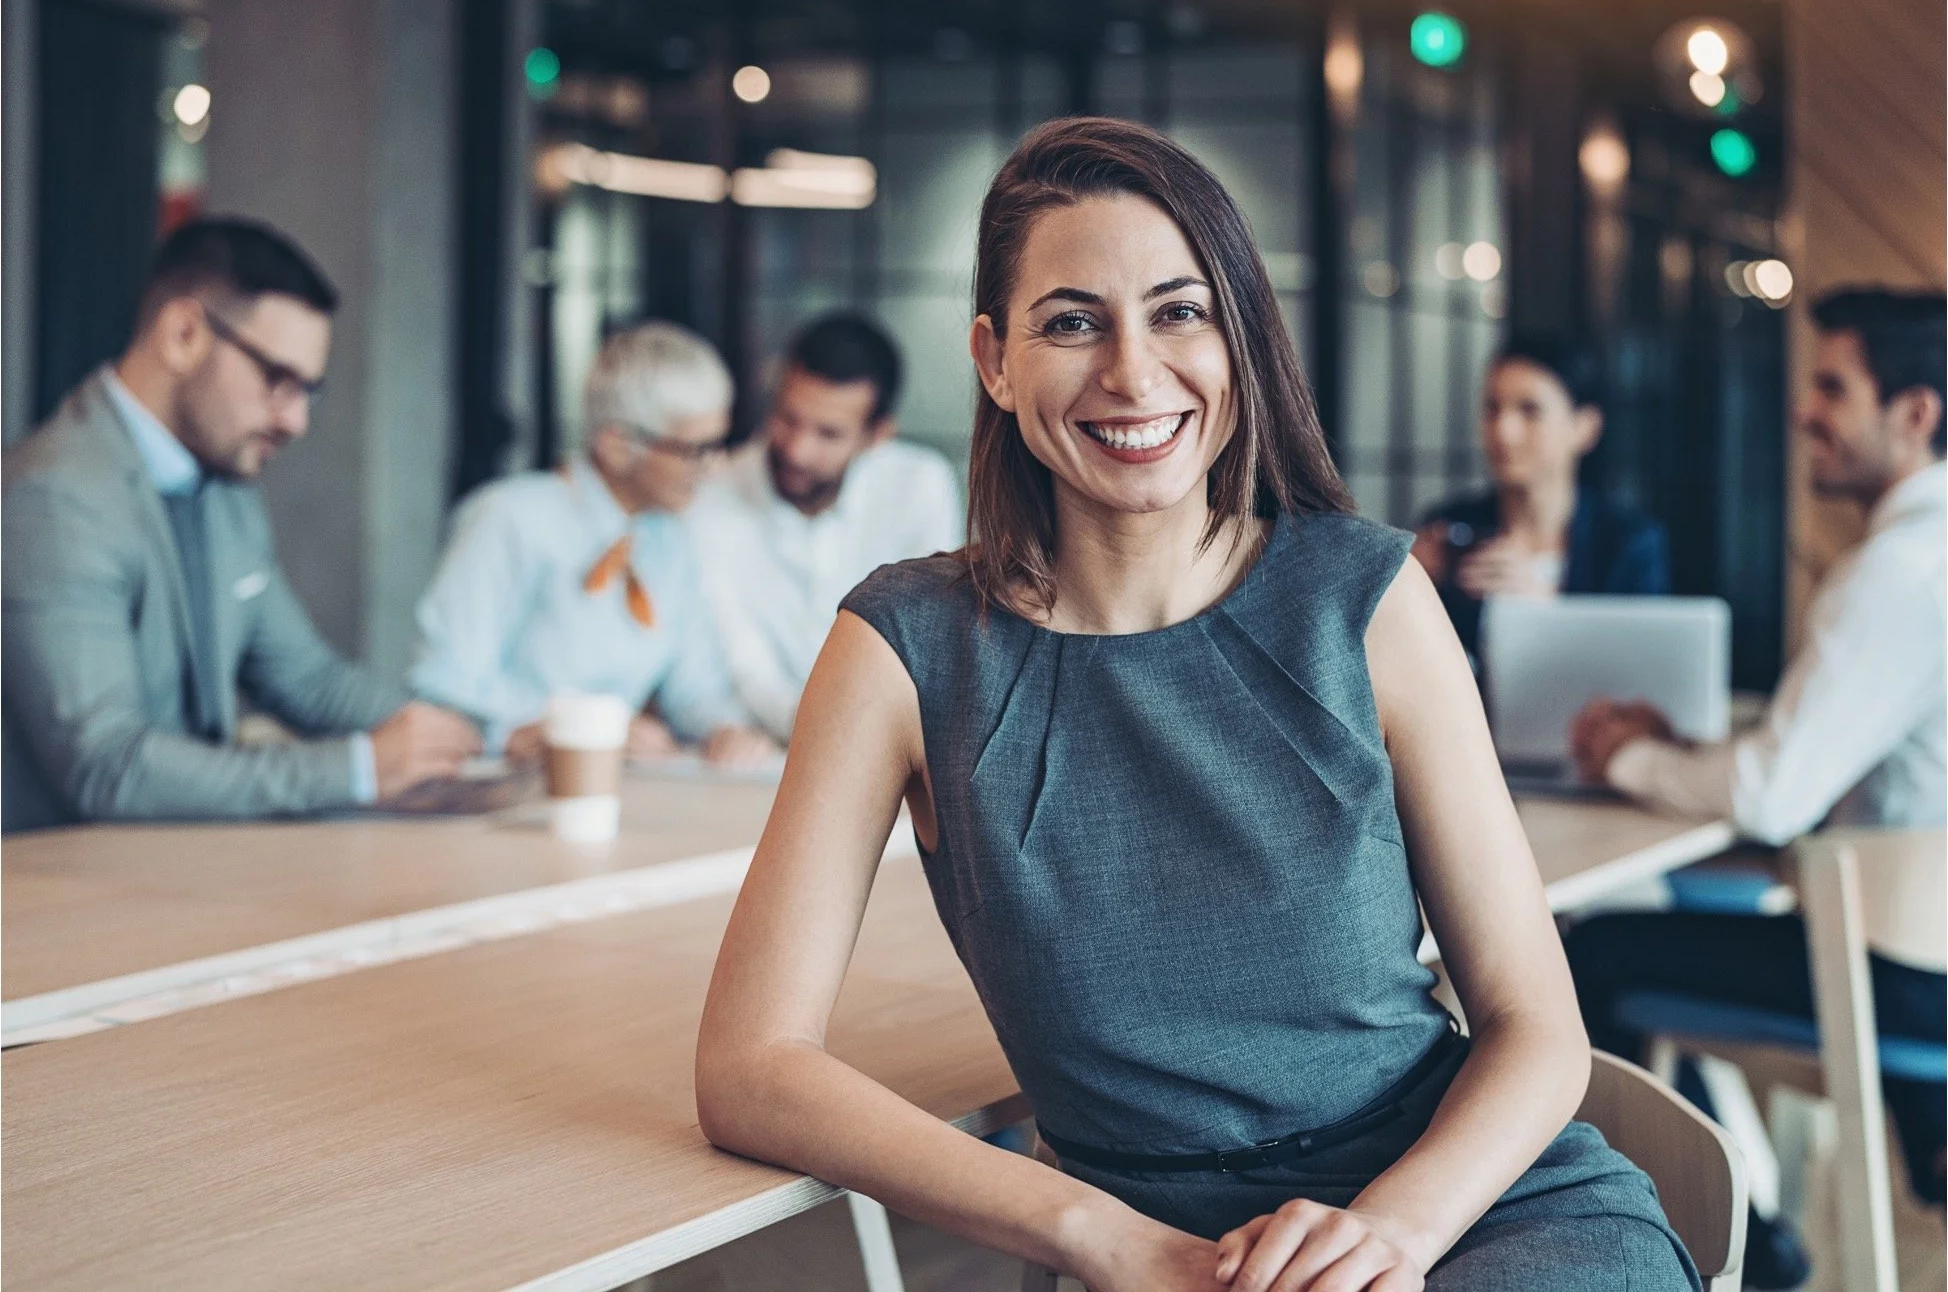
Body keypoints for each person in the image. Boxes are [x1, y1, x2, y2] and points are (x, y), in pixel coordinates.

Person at [696, 118, 1696, 1292]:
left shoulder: (1366, 598)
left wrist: (1390, 1237)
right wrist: (1092, 1232)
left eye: (1181, 311)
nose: (1132, 371)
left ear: (1239, 338)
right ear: (993, 360)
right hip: (1141, 1248)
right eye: (1072, 321)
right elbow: (749, 1065)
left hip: (1463, 1211)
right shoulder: (901, 650)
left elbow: (1537, 1029)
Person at [1566, 289, 1947, 1275]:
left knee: (1592, 956)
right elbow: (1815, 764)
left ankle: (1730, 1246)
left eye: (1832, 386)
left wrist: (1627, 760)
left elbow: (1777, 793)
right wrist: (1691, 754)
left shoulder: (1900, 571)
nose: (1802, 411)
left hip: (1904, 981)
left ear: (1914, 414)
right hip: (1925, 951)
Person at [1, 218, 479, 833]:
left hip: (171, 875)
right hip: (51, 895)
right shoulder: (55, 497)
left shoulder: (224, 484)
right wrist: (356, 770)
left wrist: (471, 739)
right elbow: (106, 767)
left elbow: (307, 678)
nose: (296, 420)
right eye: (278, 381)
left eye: (310, 391)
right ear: (182, 335)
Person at [411, 321, 774, 767]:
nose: (714, 469)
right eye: (693, 450)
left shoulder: (674, 539)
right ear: (618, 445)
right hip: (503, 789)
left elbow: (693, 687)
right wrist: (553, 729)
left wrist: (724, 730)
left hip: (620, 789)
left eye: (719, 445)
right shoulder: (510, 518)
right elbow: (443, 684)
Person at [686, 315, 962, 742]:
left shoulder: (918, 486)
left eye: (828, 433)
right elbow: (741, 660)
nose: (797, 449)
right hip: (759, 748)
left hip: (888, 743)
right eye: (787, 418)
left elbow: (930, 642)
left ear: (877, 436)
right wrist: (826, 736)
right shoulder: (712, 496)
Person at [1411, 334, 1669, 663]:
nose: (1503, 431)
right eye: (1492, 408)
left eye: (1529, 411)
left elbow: (1641, 668)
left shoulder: (1629, 544)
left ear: (1584, 427)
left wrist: (1543, 611)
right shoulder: (1449, 528)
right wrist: (1410, 586)